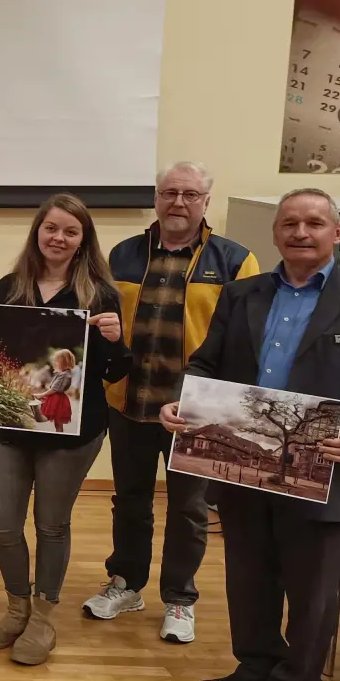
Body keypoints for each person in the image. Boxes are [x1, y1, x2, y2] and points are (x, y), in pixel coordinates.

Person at [161, 188, 340, 681]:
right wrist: (184, 399)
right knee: (249, 578)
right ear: (275, 233)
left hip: (320, 469)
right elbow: (205, 363)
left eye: (314, 223)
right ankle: (254, 669)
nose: (300, 232)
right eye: (289, 223)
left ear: (337, 234)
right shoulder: (240, 294)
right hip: (240, 461)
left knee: (313, 592)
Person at [90, 161, 260, 644]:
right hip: (129, 400)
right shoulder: (123, 255)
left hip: (197, 411)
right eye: (169, 193)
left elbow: (248, 340)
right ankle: (126, 583)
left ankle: (180, 601)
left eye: (190, 194)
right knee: (130, 500)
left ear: (207, 200)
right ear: (156, 197)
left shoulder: (235, 261)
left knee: (189, 509)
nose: (178, 203)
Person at [0, 193, 130, 666]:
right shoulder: (8, 287)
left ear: (83, 241)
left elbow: (115, 371)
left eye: (70, 231)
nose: (58, 238)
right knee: (1, 521)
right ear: (37, 232)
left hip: (72, 431)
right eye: (51, 228)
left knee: (51, 524)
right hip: (12, 424)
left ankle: (43, 617)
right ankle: (16, 607)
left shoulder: (99, 294)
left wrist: (116, 342)